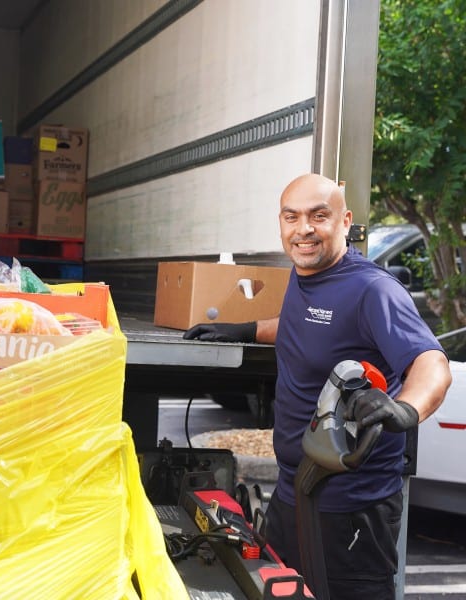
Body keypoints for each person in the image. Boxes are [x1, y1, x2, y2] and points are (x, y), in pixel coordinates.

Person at [182, 173, 452, 599]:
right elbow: (303, 327)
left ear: (345, 221)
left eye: (318, 216)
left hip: (350, 510)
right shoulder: (304, 276)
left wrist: (405, 409)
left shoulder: (372, 290)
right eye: (292, 217)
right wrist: (246, 329)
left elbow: (431, 362)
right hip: (293, 493)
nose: (303, 229)